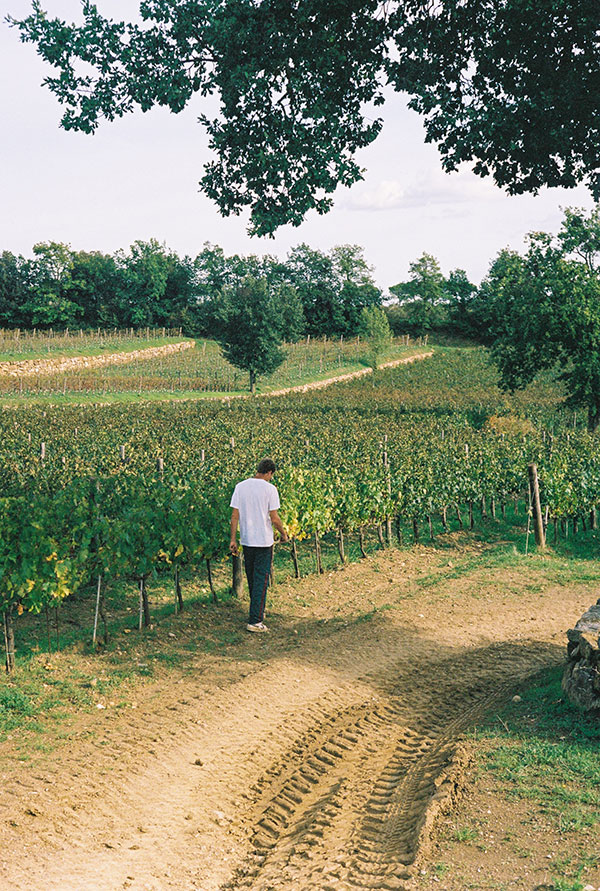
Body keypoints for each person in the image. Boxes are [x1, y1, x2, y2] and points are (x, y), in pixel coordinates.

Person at [229, 458, 288, 632]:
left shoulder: (240, 487)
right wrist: (283, 534)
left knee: (252, 577)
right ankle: (255, 621)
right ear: (269, 472)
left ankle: (257, 611)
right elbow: (274, 518)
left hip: (247, 540)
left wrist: (233, 539)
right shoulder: (270, 489)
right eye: (271, 475)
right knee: (261, 579)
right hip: (263, 541)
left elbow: (234, 516)